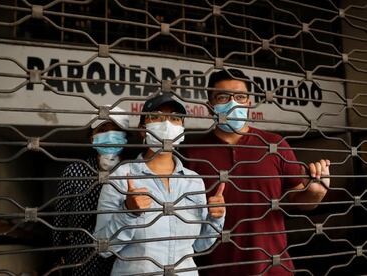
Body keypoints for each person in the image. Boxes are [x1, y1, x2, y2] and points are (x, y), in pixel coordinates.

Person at [182, 69, 331, 275]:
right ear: (210, 106)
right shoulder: (192, 153)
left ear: (249, 103)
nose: (233, 103)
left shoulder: (274, 144)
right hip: (217, 269)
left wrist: (317, 191)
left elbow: (301, 200)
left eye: (240, 97)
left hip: (274, 269)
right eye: (223, 97)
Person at [94, 94, 226, 275]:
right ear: (143, 129)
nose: (167, 124)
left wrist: (216, 219)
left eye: (175, 118)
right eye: (156, 117)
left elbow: (200, 245)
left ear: (182, 130)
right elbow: (103, 249)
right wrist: (128, 212)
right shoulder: (121, 177)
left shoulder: (193, 181)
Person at [53, 106, 129, 276]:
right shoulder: (75, 171)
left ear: (125, 137)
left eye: (116, 130)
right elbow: (60, 218)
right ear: (92, 137)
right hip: (83, 257)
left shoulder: (134, 171)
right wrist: (60, 253)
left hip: (124, 257)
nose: (110, 135)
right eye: (103, 130)